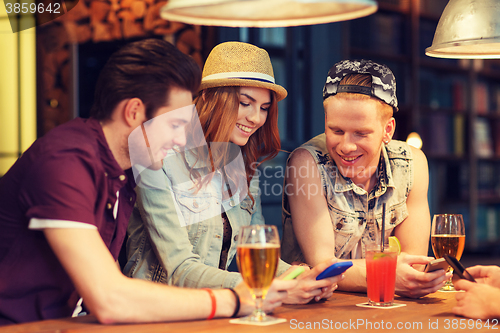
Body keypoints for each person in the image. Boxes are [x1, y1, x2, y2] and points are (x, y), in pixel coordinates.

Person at [0, 38, 295, 326]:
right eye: (176, 124)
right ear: (134, 112)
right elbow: (110, 298)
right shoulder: (66, 161)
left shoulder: (120, 172)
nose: (183, 138)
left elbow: (106, 281)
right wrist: (234, 299)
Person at [124, 41, 342, 305]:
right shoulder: (158, 159)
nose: (256, 118)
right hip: (154, 312)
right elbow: (179, 269)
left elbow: (256, 254)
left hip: (217, 311)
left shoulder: (245, 169)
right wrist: (266, 287)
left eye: (263, 108)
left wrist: (301, 276)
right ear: (208, 98)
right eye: (245, 103)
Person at [280, 59, 450, 298]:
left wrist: (392, 275)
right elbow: (323, 267)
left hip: (387, 310)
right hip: (316, 311)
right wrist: (388, 274)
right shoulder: (306, 163)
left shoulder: (413, 163)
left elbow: (412, 265)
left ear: (387, 130)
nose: (346, 146)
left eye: (361, 133)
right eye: (336, 131)